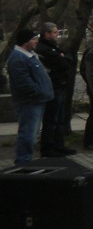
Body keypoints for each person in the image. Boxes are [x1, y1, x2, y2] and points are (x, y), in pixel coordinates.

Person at [7, 28, 54, 164]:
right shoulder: (18, 58)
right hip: (30, 101)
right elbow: (24, 83)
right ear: (25, 42)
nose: (36, 42)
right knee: (28, 134)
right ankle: (23, 161)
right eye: (33, 39)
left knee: (33, 134)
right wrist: (40, 92)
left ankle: (27, 160)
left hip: (38, 100)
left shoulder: (30, 55)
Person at [35, 23, 76, 157]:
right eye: (54, 33)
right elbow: (61, 63)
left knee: (59, 118)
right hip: (52, 86)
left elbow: (67, 60)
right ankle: (48, 148)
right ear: (47, 34)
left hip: (59, 85)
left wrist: (64, 58)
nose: (57, 35)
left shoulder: (53, 47)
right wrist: (62, 58)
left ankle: (59, 145)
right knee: (51, 119)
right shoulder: (44, 49)